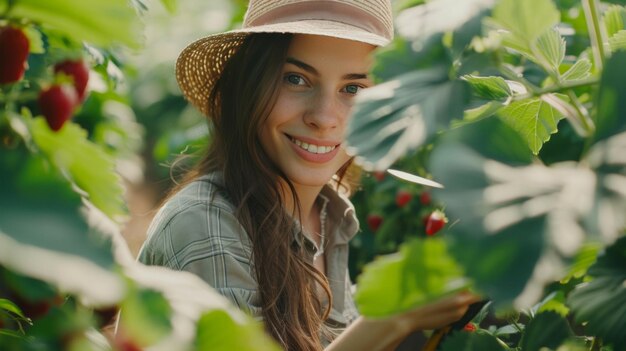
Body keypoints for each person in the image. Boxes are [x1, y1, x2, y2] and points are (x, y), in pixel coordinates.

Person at [138, 0, 479, 350]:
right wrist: (393, 315)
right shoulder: (203, 225)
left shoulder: (328, 214)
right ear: (247, 86)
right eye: (295, 79)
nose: (324, 117)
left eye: (354, 88)